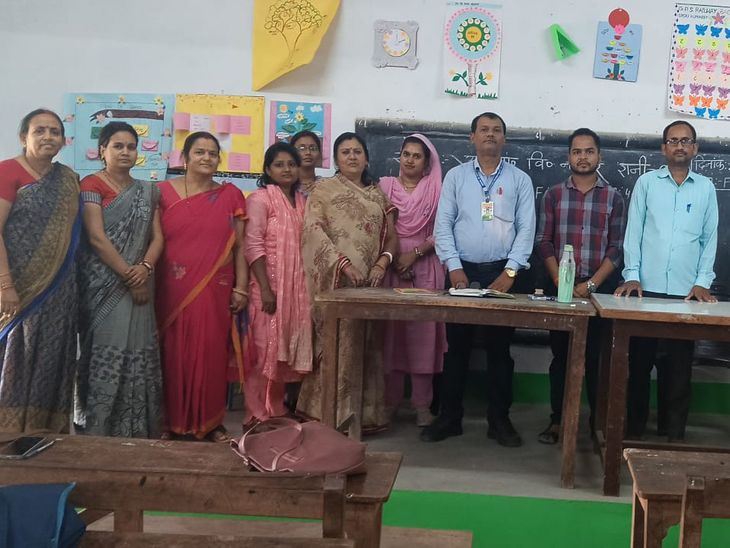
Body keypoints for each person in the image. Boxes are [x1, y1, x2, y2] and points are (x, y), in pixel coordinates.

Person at [422, 112, 536, 447]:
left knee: (500, 351)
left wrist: (510, 271)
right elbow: (443, 225)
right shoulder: (456, 177)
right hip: (462, 271)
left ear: (505, 139)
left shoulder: (520, 180)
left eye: (496, 130)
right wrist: (453, 266)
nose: (490, 134)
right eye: (484, 129)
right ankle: (449, 418)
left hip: (503, 273)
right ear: (472, 137)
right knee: (456, 348)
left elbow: (527, 228)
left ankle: (499, 421)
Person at [615, 120, 718, 443]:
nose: (679, 146)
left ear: (695, 148)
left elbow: (709, 239)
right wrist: (632, 275)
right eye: (673, 141)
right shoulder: (647, 183)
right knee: (639, 366)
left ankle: (674, 437)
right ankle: (632, 433)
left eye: (686, 141)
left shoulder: (705, 188)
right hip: (645, 290)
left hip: (687, 294)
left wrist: (702, 281)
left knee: (678, 370)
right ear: (663, 148)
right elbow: (633, 233)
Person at [297, 132, 399, 432]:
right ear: (336, 159)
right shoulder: (323, 190)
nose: (352, 156)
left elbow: (392, 237)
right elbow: (313, 230)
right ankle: (327, 414)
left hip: (370, 283)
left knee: (366, 343)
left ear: (366, 158)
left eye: (357, 151)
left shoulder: (377, 195)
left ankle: (364, 417)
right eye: (345, 152)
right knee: (338, 343)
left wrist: (382, 262)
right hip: (336, 281)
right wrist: (342, 264)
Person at [534, 128, 627, 444]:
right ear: (569, 156)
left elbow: (616, 248)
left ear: (600, 156)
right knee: (562, 359)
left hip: (600, 291)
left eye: (589, 151)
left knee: (598, 360)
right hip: (561, 290)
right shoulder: (553, 195)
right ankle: (558, 421)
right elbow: (544, 242)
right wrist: (561, 280)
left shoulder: (613, 198)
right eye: (577, 151)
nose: (583, 157)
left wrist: (591, 284)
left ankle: (596, 425)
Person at [156, 131, 248, 441]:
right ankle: (169, 422)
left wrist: (241, 287)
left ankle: (211, 423)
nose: (207, 158)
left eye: (212, 153)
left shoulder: (230, 196)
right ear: (184, 158)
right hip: (170, 288)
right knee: (171, 354)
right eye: (199, 152)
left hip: (215, 289)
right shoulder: (161, 193)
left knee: (211, 353)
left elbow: (240, 246)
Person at [75, 121, 164, 438]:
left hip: (140, 279)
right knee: (105, 348)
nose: (126, 152)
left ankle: (136, 427)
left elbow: (158, 238)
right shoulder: (91, 184)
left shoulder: (149, 190)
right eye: (118, 146)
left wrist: (145, 268)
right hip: (104, 284)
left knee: (138, 347)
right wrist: (132, 277)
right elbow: (96, 238)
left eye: (131, 147)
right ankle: (99, 426)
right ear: (103, 150)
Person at [0, 108, 81, 433]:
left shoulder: (68, 179)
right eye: (40, 130)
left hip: (60, 289)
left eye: (54, 131)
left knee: (53, 354)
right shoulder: (7, 171)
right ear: (24, 137)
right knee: (15, 355)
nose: (48, 137)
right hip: (17, 288)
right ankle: (8, 430)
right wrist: (5, 284)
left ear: (63, 140)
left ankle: (43, 430)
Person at [378, 134, 447, 427]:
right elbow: (378, 225)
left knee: (423, 336)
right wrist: (396, 258)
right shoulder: (384, 186)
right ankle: (390, 402)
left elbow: (443, 228)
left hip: (426, 264)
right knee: (390, 335)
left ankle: (422, 405)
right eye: (406, 154)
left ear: (426, 162)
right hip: (390, 263)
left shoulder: (437, 190)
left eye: (417, 156)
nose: (409, 160)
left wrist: (415, 254)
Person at [243, 142, 312, 425]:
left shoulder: (302, 201)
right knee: (263, 352)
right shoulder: (260, 199)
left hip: (295, 292)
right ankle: (255, 414)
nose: (286, 169)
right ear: (268, 170)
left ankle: (276, 409)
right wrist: (265, 289)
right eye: (279, 164)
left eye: (291, 164)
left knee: (282, 352)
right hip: (267, 289)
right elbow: (252, 245)